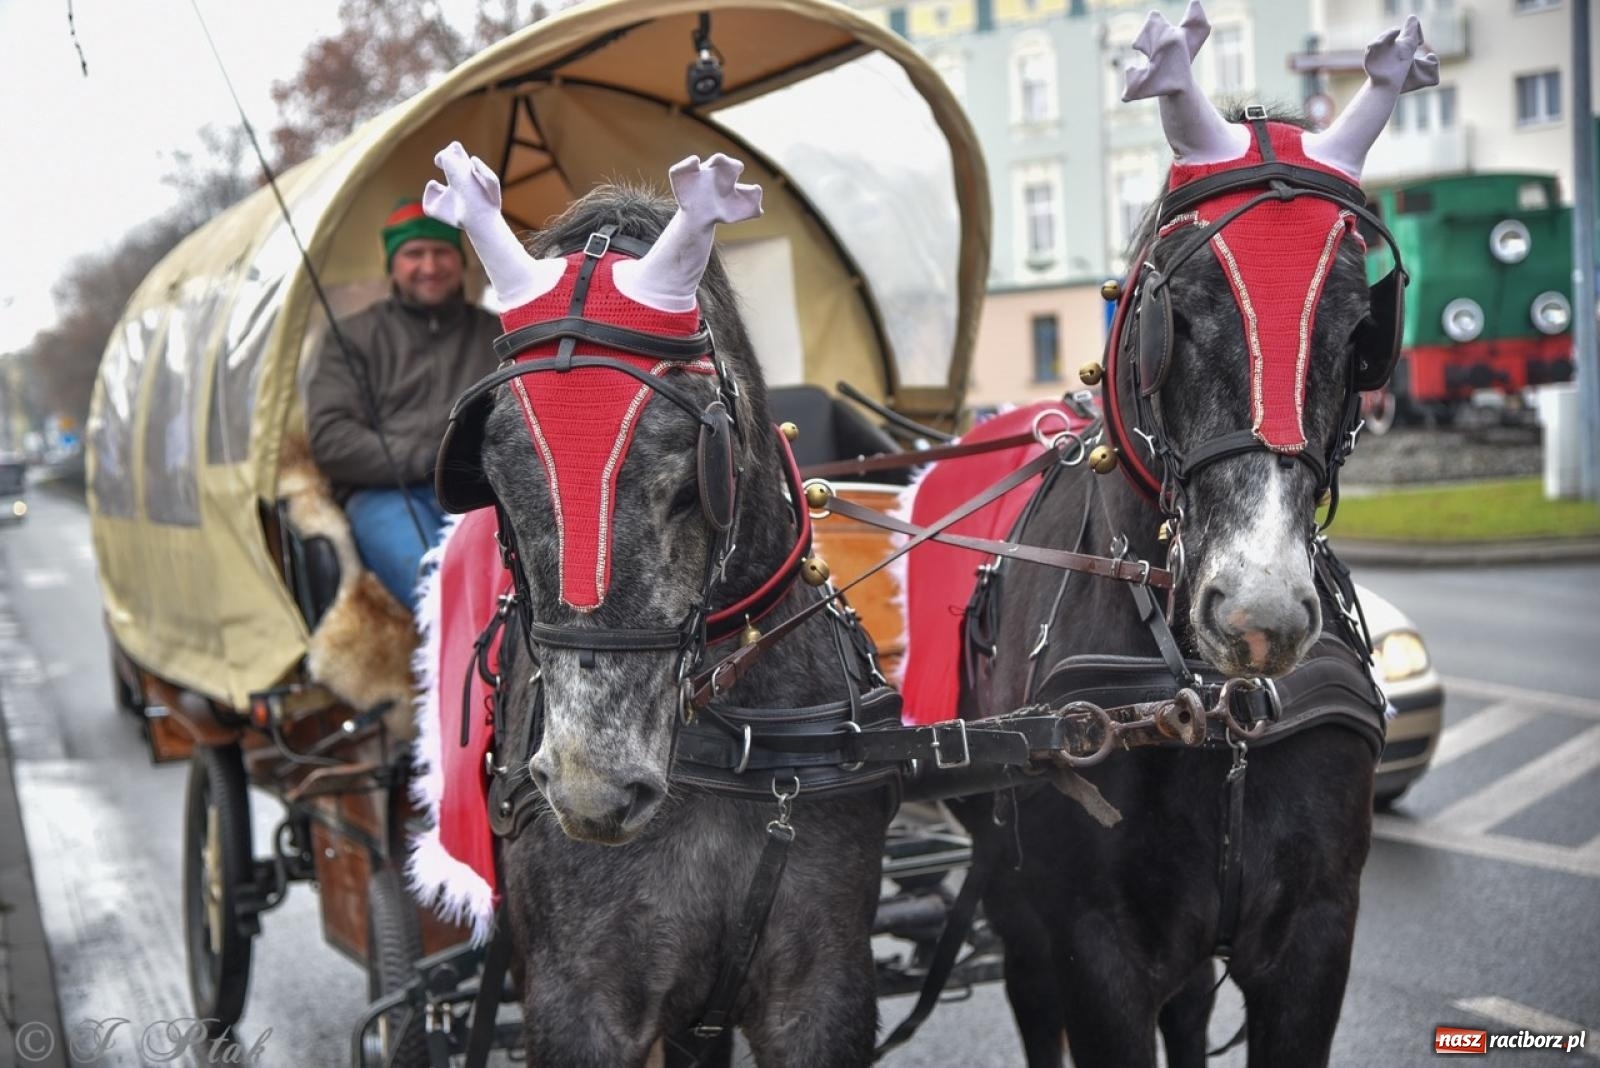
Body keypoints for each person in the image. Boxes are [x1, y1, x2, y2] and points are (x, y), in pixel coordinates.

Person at [303, 199, 501, 609]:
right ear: (392, 265)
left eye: (442, 251)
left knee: (516, 581)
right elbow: (331, 437)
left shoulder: (496, 334)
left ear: (461, 261)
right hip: (385, 495)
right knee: (440, 586)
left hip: (480, 493)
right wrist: (429, 459)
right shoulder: (352, 337)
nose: (429, 265)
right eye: (414, 253)